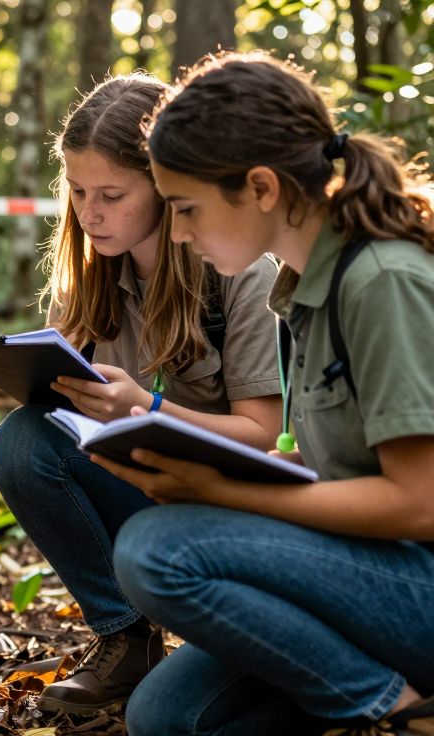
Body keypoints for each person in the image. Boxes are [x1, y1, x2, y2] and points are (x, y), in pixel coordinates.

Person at [94, 51, 434, 735]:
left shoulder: (382, 281)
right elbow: (351, 463)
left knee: (155, 548)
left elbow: (420, 501)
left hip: (414, 583)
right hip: (371, 575)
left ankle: (394, 714)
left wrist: (223, 493)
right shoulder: (302, 290)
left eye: (186, 208)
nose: (178, 233)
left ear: (261, 188)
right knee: (167, 717)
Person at [0, 73, 284, 716]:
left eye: (112, 195)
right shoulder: (89, 272)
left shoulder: (242, 274)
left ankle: (223, 630)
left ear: (165, 186)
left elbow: (262, 435)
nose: (89, 212)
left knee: (181, 714)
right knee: (22, 441)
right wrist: (45, 376)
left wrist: (147, 408)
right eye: (77, 191)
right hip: (139, 485)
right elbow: (58, 429)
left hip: (225, 509)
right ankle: (126, 637)